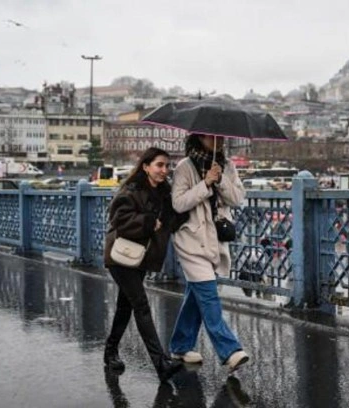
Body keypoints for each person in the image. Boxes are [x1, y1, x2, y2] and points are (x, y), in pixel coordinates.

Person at [168, 133, 250, 372]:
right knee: (208, 293)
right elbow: (178, 203)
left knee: (197, 293)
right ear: (199, 137)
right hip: (191, 239)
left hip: (215, 239)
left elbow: (238, 198)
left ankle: (180, 346)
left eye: (221, 137)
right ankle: (230, 350)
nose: (219, 140)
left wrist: (220, 179)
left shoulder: (228, 165)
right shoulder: (185, 167)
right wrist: (204, 184)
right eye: (212, 136)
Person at [102, 147, 184, 382]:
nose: (164, 170)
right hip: (121, 257)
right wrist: (148, 222)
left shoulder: (165, 193)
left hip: (140, 257)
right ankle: (161, 364)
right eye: (159, 165)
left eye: (167, 166)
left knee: (125, 306)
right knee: (141, 305)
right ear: (146, 166)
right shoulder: (131, 190)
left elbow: (174, 221)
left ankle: (110, 352)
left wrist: (204, 191)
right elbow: (118, 219)